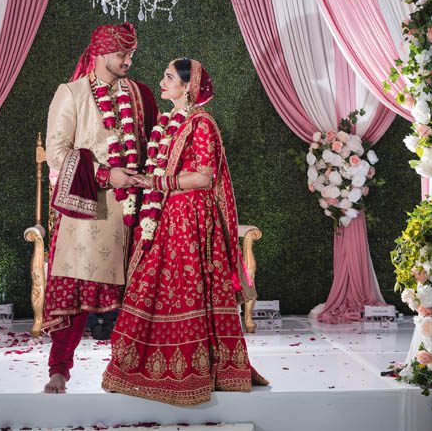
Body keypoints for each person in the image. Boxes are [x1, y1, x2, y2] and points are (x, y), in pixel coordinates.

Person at [102, 58, 268, 406]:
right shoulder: (169, 123)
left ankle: (193, 371)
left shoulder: (201, 124)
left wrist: (155, 182)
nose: (162, 82)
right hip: (168, 214)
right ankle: (142, 366)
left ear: (187, 86)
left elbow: (204, 177)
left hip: (191, 218)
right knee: (154, 285)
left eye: (168, 78)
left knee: (186, 287)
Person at [42, 23, 157, 394]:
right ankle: (59, 368)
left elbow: (154, 146)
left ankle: (128, 369)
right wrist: (107, 174)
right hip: (88, 211)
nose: (128, 61)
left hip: (135, 210)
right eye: (122, 55)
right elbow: (57, 154)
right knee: (75, 291)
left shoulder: (141, 95)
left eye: (131, 55)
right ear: (101, 54)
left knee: (136, 294)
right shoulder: (71, 93)